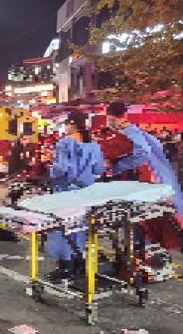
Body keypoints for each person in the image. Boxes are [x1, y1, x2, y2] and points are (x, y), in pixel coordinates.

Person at [105, 101, 183, 252]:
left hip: (145, 183)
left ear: (111, 117)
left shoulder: (129, 133)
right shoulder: (139, 132)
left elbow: (143, 153)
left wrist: (117, 168)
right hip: (160, 180)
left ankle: (140, 251)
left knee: (142, 222)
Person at [46, 111, 105, 280]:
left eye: (66, 124)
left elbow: (61, 169)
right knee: (80, 227)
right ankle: (79, 263)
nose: (65, 128)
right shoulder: (93, 144)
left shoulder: (64, 143)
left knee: (63, 228)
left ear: (72, 124)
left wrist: (49, 167)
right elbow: (99, 169)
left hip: (66, 192)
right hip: (86, 193)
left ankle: (66, 266)